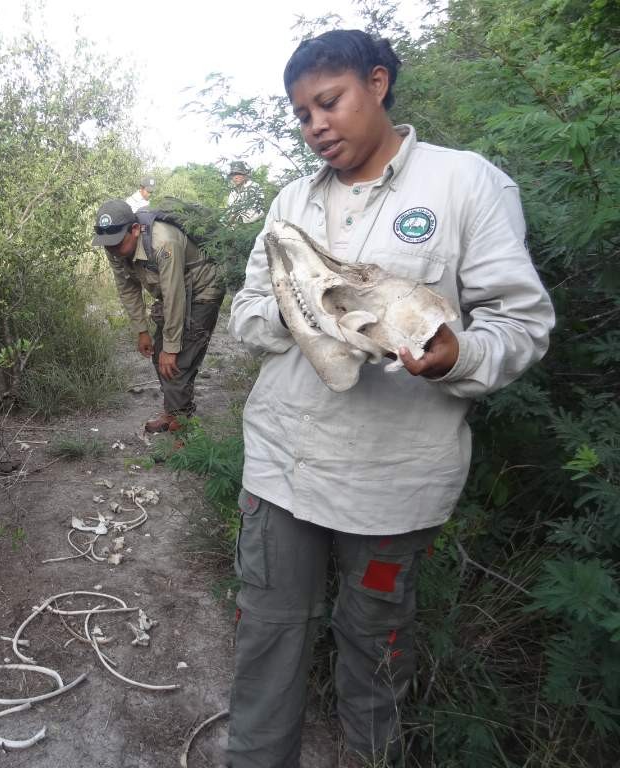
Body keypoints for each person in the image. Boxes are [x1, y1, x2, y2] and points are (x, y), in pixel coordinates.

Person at [226, 30, 554, 768]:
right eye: (302, 113)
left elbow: (521, 324)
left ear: (378, 83)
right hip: (284, 467)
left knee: (377, 650)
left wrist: (455, 356)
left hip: (394, 482)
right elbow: (249, 315)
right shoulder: (289, 203)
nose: (315, 125)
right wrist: (303, 307)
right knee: (267, 638)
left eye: (329, 102)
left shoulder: (466, 185)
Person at [92, 198, 225, 433]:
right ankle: (173, 413)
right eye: (107, 244)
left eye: (116, 243)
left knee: (178, 362)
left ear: (134, 230)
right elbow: (127, 289)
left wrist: (172, 348)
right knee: (159, 356)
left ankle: (183, 426)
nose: (111, 250)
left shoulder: (164, 242)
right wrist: (142, 331)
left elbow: (175, 295)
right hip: (173, 293)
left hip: (203, 291)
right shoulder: (113, 246)